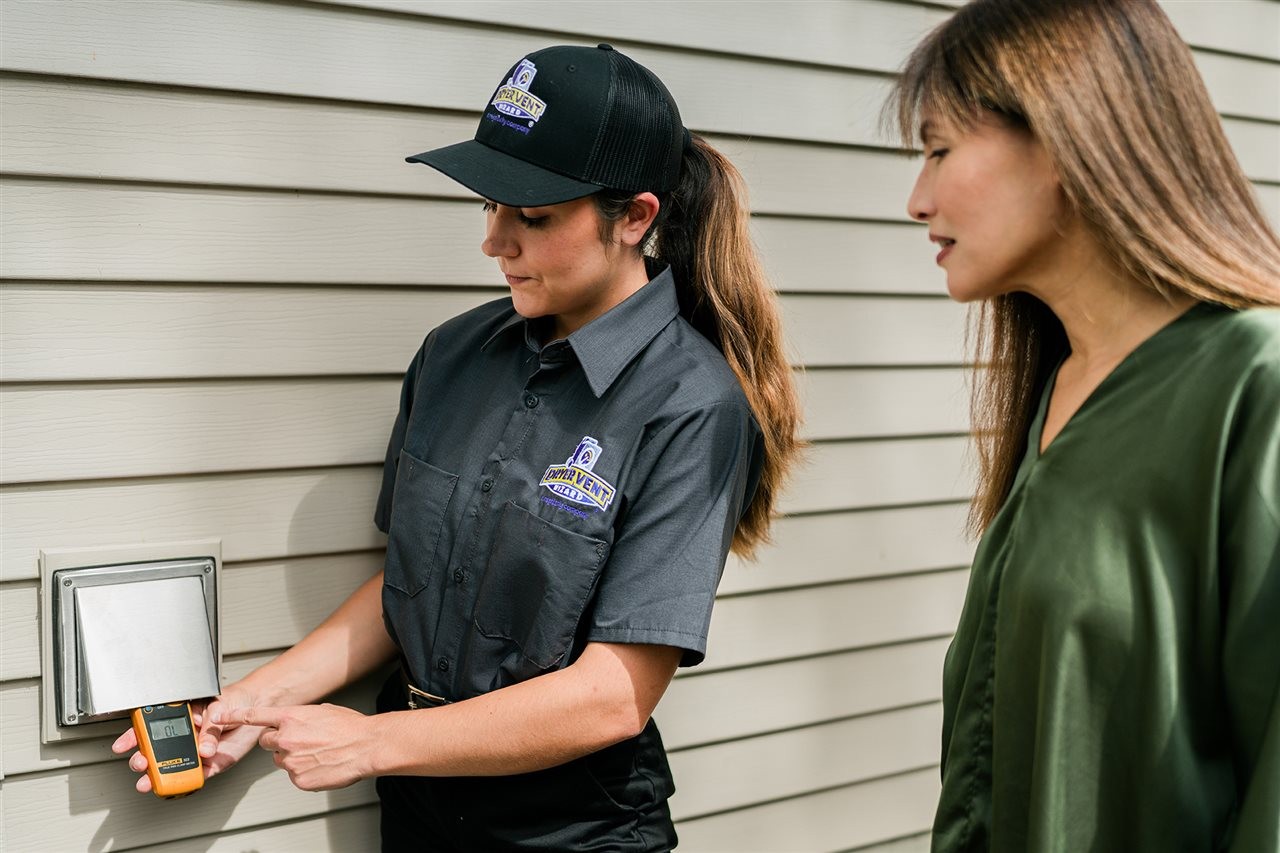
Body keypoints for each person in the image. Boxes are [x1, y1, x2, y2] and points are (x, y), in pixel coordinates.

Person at [113, 43, 801, 850]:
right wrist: (250, 704)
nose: (495, 242)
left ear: (636, 218)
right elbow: (407, 586)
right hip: (420, 812)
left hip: (571, 829)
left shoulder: (691, 402)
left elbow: (614, 694)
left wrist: (371, 743)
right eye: (490, 205)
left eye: (533, 216)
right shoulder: (454, 354)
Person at [887, 0, 1280, 850]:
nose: (917, 200)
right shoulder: (1061, 384)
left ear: (1067, 140)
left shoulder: (1258, 384)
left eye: (939, 149)